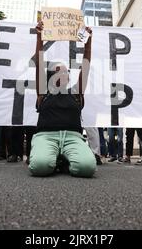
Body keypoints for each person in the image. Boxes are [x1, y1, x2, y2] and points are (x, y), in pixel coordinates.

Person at [28, 20, 96, 178]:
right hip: (46, 136)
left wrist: (88, 42)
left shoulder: (76, 93)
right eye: (59, 71)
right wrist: (39, 37)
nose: (64, 74)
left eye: (66, 72)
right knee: (40, 167)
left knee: (87, 168)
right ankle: (54, 158)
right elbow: (39, 64)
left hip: (72, 137)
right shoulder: (43, 93)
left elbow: (85, 66)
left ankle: (63, 160)